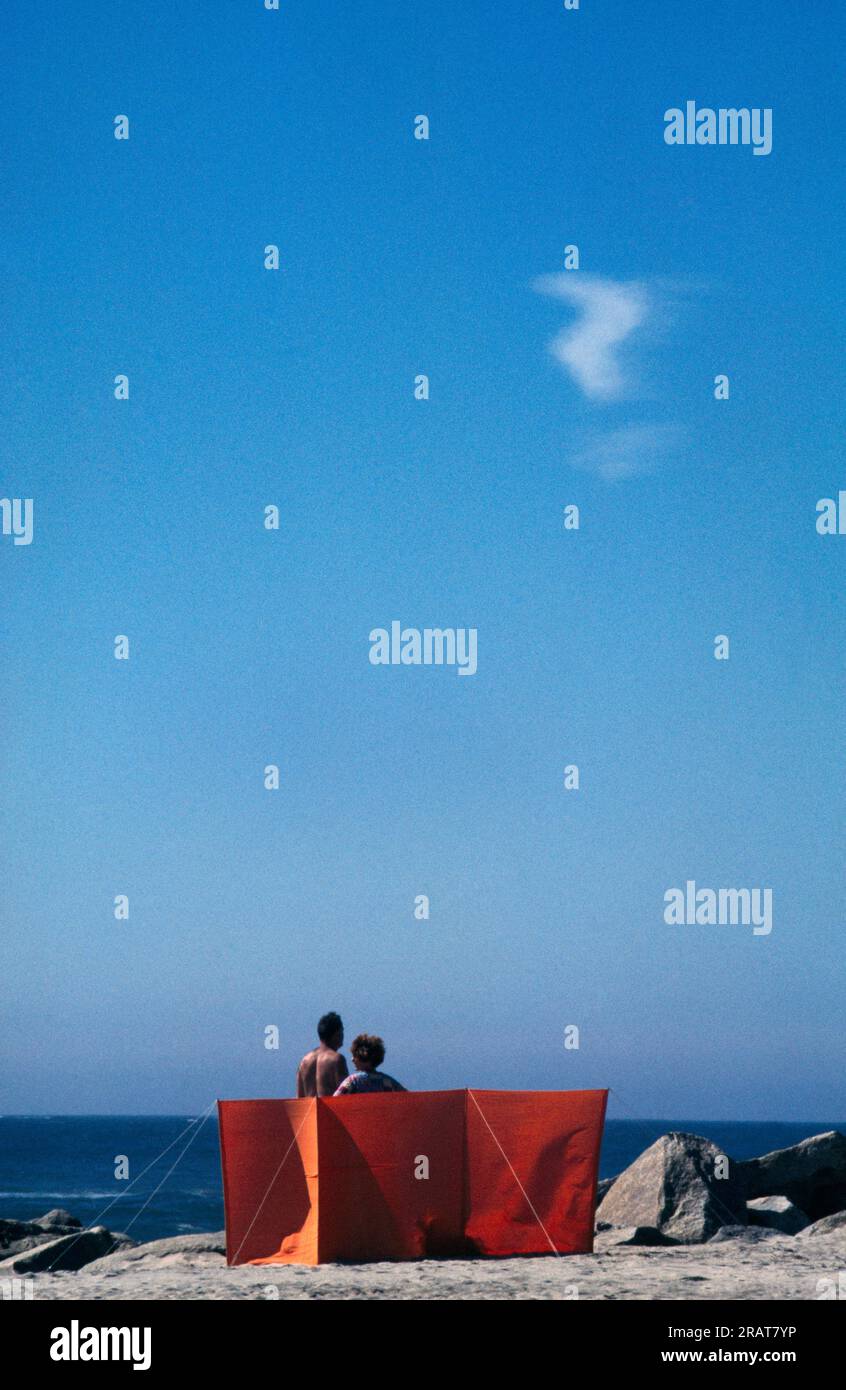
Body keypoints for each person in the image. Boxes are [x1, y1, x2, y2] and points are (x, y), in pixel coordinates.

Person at [296, 1012, 349, 1097]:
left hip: (310, 1110)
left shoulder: (304, 1061)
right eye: (342, 1031)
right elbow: (346, 1094)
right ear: (337, 1034)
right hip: (331, 1110)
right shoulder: (337, 1060)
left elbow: (299, 1099)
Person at [333, 1033, 406, 1095]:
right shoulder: (387, 1081)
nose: (352, 1059)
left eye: (355, 1056)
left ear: (363, 1056)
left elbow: (335, 1099)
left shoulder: (353, 1081)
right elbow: (407, 1096)